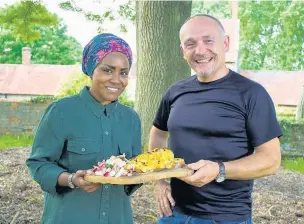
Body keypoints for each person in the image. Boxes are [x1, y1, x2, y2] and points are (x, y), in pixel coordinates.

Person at [149, 14, 282, 224]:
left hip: (226, 217)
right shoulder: (175, 92)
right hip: (173, 214)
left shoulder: (251, 94)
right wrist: (159, 180)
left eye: (208, 40)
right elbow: (158, 133)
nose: (200, 50)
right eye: (190, 44)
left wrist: (219, 170)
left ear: (225, 43)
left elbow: (271, 160)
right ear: (183, 51)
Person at [26, 33, 141, 224]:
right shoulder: (61, 111)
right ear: (90, 70)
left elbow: (135, 170)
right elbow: (38, 165)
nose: (116, 79)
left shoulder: (131, 118)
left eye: (123, 72)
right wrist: (71, 179)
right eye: (107, 70)